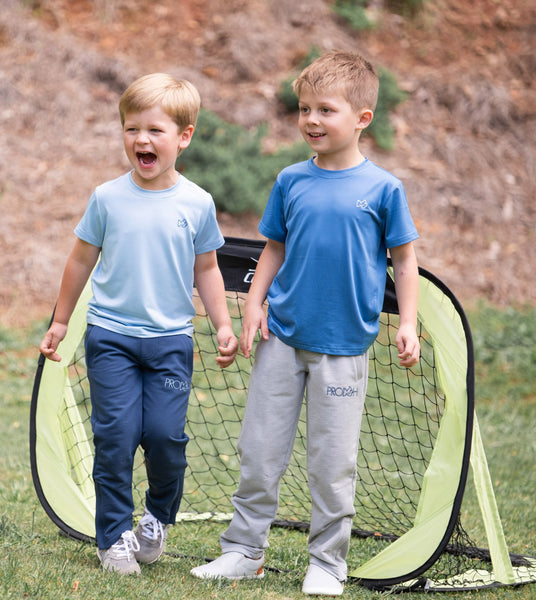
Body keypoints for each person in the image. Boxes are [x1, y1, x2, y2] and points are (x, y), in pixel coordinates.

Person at [190, 50, 420, 596]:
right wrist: (253, 303)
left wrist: (406, 322)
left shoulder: (384, 189)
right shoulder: (291, 180)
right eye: (304, 108)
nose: (311, 120)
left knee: (332, 462)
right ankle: (244, 551)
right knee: (259, 449)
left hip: (344, 346)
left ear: (362, 118)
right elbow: (273, 249)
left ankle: (328, 563)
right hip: (281, 339)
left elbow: (404, 260)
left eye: (326, 110)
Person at [39, 73, 238, 576]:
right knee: (116, 437)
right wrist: (61, 322)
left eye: (155, 131)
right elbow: (80, 261)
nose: (142, 141)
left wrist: (222, 324)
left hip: (171, 341)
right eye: (132, 129)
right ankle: (113, 538)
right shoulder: (107, 198)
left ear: (184, 136)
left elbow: (208, 269)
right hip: (111, 340)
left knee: (166, 439)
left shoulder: (196, 203)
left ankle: (156, 518)